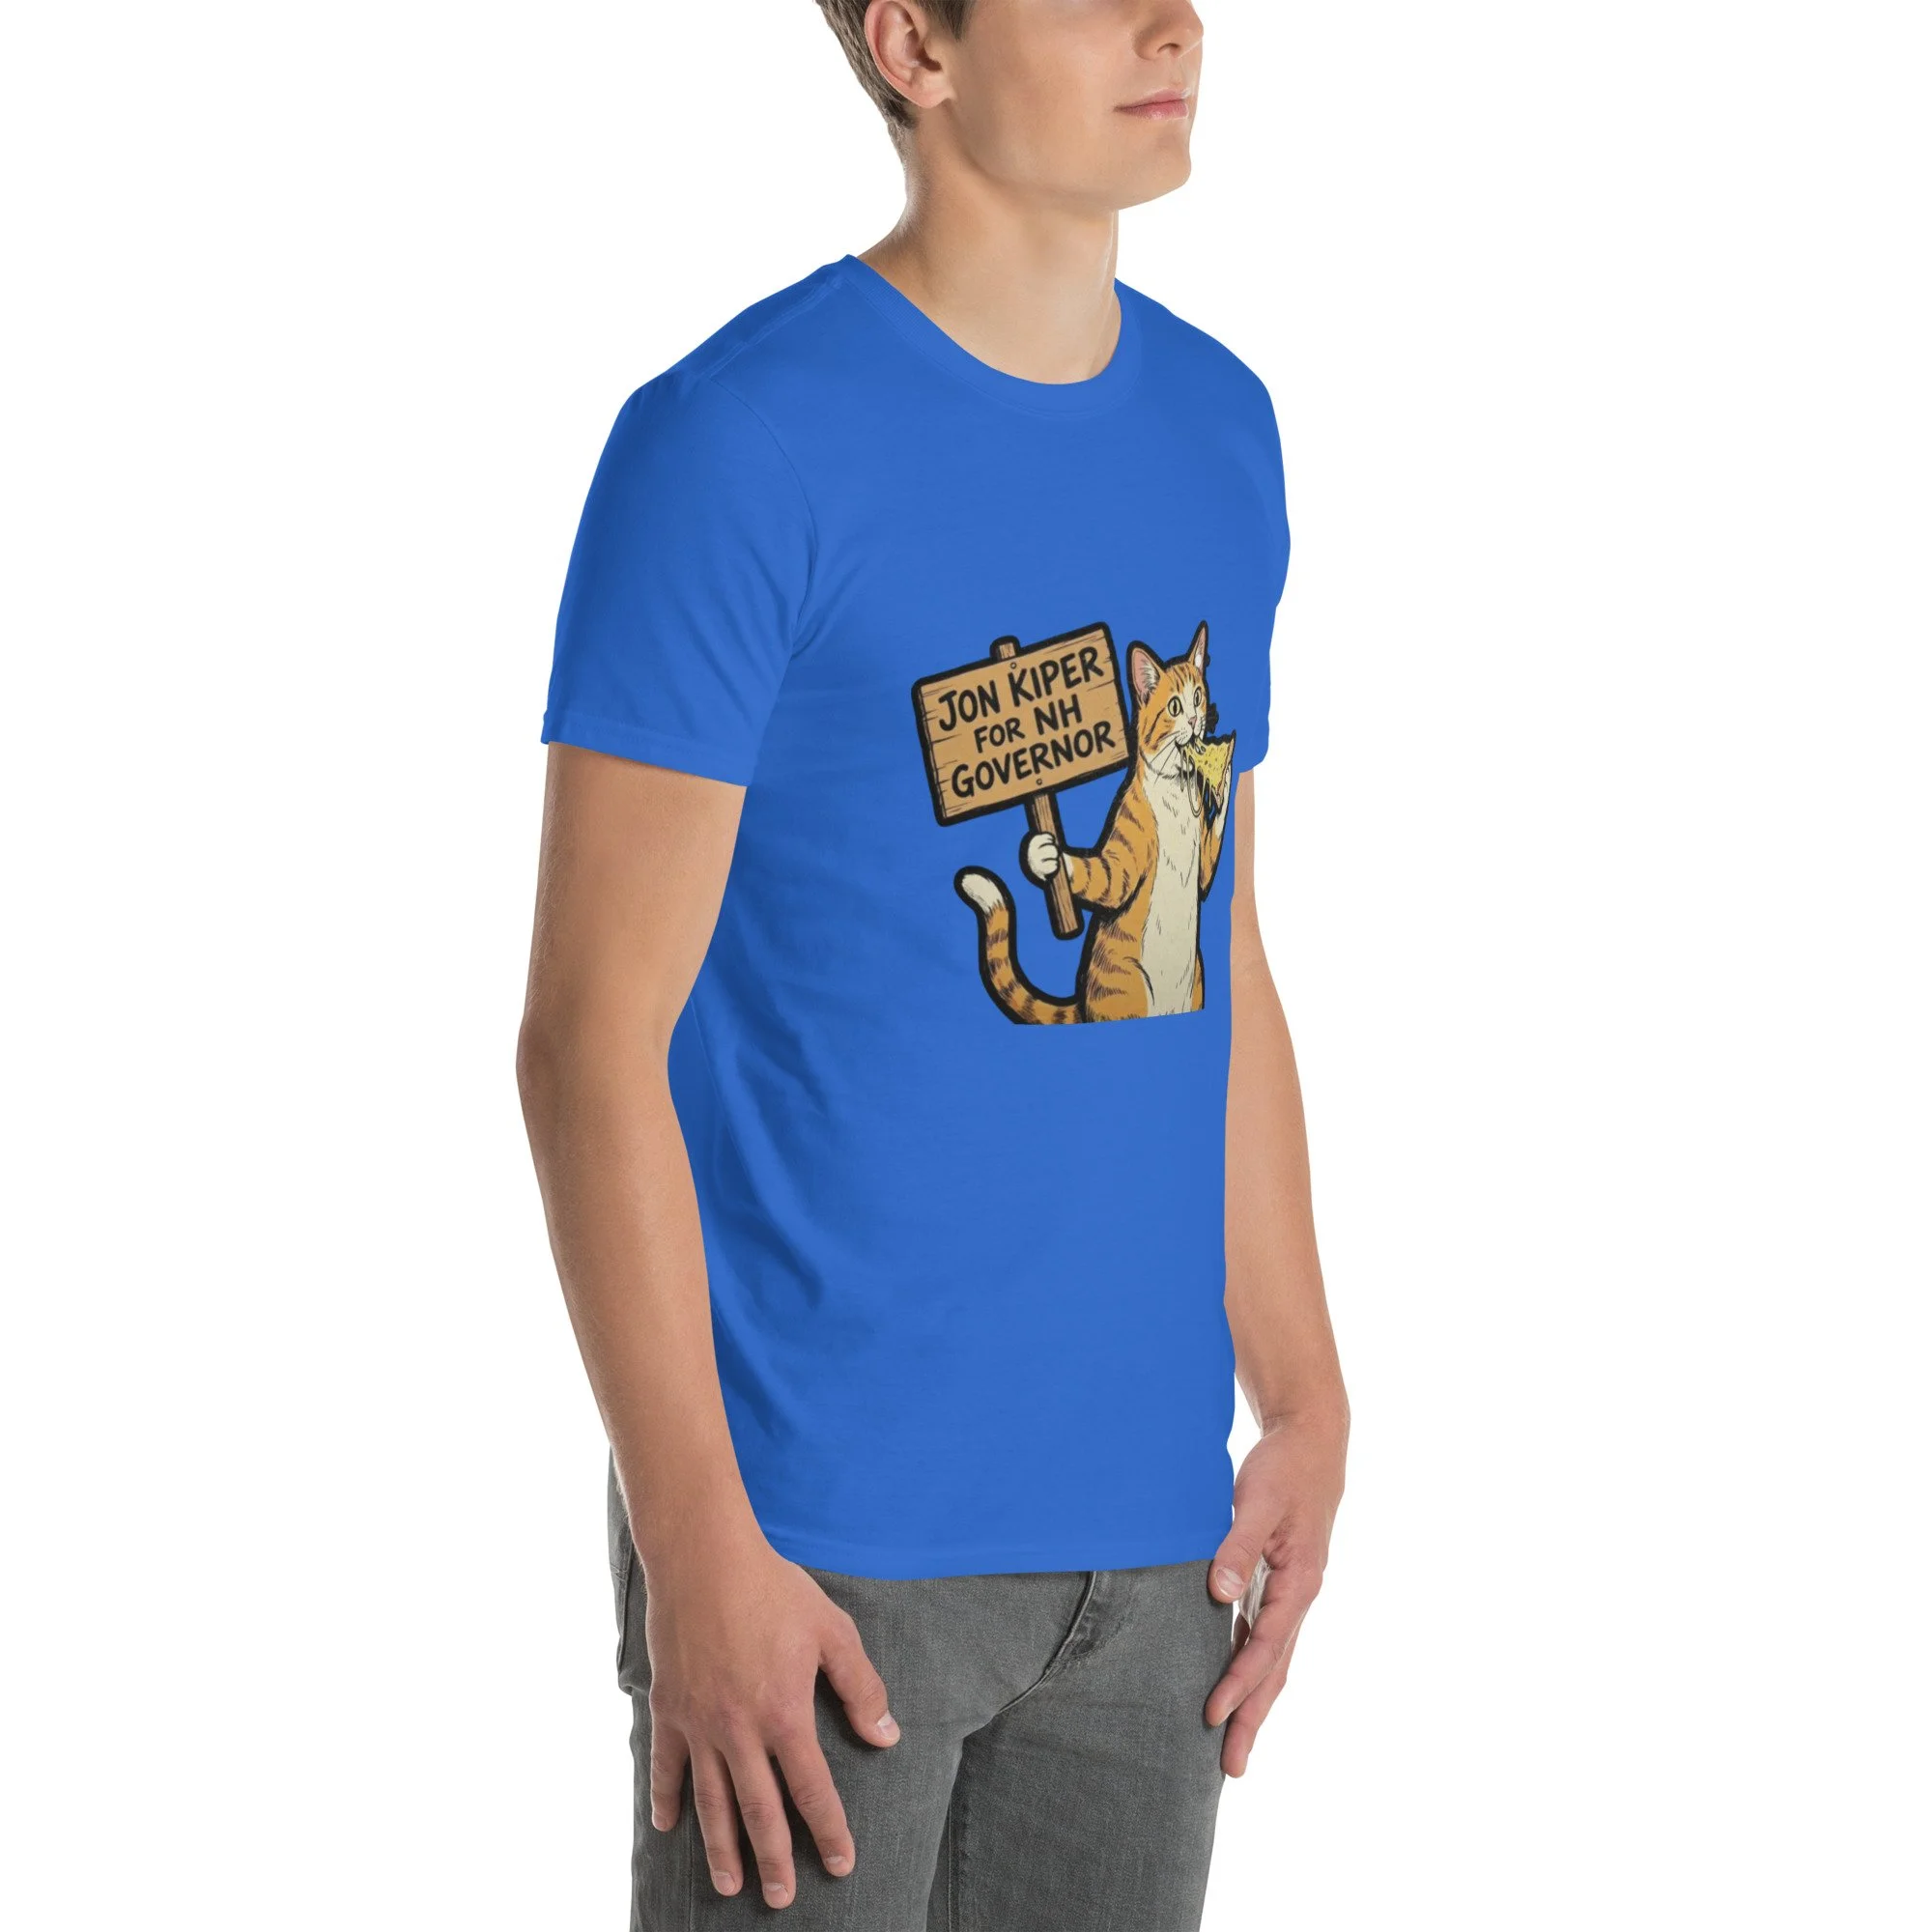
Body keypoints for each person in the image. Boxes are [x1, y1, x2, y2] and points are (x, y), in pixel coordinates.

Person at [517, 2, 1348, 1924]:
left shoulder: (1220, 430)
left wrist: (1303, 1392)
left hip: (1156, 1554)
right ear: (917, 45)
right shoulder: (735, 446)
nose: (1175, 22)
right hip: (821, 1552)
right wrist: (697, 1544)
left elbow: (1211, 946)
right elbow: (585, 1044)